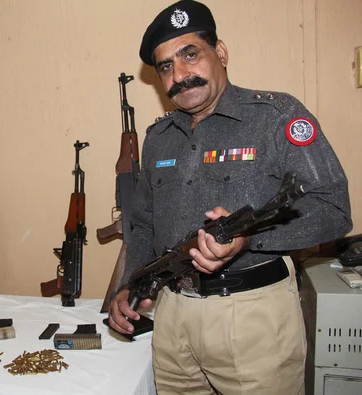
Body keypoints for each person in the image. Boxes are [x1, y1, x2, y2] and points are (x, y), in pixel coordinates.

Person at [107, 1, 353, 394]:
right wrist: (131, 285)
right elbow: (143, 223)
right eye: (166, 66)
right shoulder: (158, 138)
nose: (180, 75)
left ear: (219, 52)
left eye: (190, 54)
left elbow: (333, 210)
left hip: (253, 320)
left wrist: (251, 239)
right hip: (171, 320)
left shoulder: (276, 116)